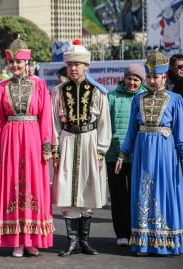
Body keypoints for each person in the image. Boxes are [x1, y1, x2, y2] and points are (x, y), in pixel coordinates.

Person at [0, 39, 54, 257]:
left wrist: (47, 145)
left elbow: (46, 117)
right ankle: (16, 240)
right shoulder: (1, 87)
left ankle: (30, 239)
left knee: (32, 186)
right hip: (9, 139)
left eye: (19, 62)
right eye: (12, 62)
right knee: (12, 186)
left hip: (33, 138)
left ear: (27, 62)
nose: (15, 66)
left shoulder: (39, 85)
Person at [116, 51, 183, 256]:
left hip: (165, 152)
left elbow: (180, 132)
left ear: (164, 77)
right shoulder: (138, 99)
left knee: (165, 192)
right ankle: (144, 242)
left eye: (156, 77)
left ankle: (166, 241)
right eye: (150, 77)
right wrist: (122, 153)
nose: (152, 81)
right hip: (142, 152)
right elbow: (131, 131)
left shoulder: (175, 99)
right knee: (143, 192)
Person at [51, 40, 112, 257]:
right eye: (70, 64)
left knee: (87, 191)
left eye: (77, 64)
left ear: (86, 65)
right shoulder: (59, 91)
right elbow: (53, 124)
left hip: (89, 141)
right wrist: (55, 149)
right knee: (67, 190)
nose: (73, 68)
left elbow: (104, 124)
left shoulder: (98, 92)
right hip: (67, 140)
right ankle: (72, 242)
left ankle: (84, 241)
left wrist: (101, 149)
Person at [106, 63, 147, 247]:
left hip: (139, 155)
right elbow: (105, 126)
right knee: (118, 195)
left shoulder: (146, 98)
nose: (132, 82)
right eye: (129, 78)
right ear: (124, 78)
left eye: (136, 79)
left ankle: (136, 231)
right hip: (114, 155)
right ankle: (121, 233)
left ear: (141, 81)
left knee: (137, 195)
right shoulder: (112, 97)